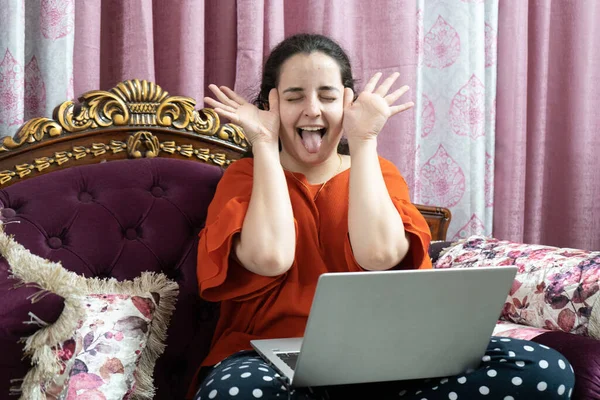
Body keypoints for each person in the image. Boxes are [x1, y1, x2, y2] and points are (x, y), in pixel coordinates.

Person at [191, 34, 575, 400]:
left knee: (543, 369)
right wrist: (262, 143)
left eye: (327, 96)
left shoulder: (379, 172)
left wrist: (363, 140)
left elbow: (377, 257)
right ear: (271, 105)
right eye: (294, 97)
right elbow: (270, 257)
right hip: (270, 362)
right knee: (232, 393)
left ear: (348, 103)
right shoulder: (243, 177)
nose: (312, 109)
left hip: (389, 360)